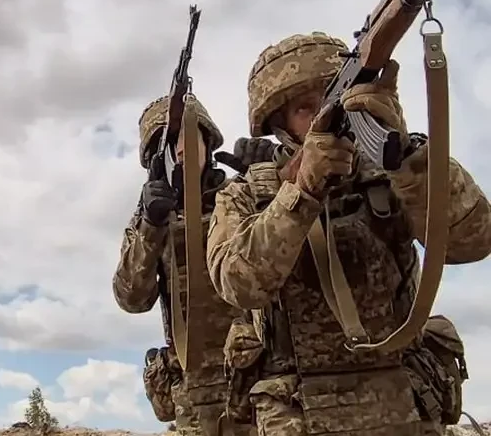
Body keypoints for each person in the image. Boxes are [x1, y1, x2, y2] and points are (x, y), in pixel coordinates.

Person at [206, 32, 491, 436]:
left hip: (402, 403)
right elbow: (238, 284)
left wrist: (408, 159)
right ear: (280, 126)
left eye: (331, 97)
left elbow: (473, 242)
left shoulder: (393, 173)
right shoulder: (247, 194)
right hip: (299, 412)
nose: (325, 114)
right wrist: (301, 193)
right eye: (305, 108)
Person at [114, 95, 261, 436]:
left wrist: (270, 178)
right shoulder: (149, 220)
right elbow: (132, 298)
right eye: (168, 142)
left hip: (259, 378)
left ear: (208, 142)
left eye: (189, 136)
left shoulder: (241, 195)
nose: (181, 148)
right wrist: (151, 226)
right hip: (196, 397)